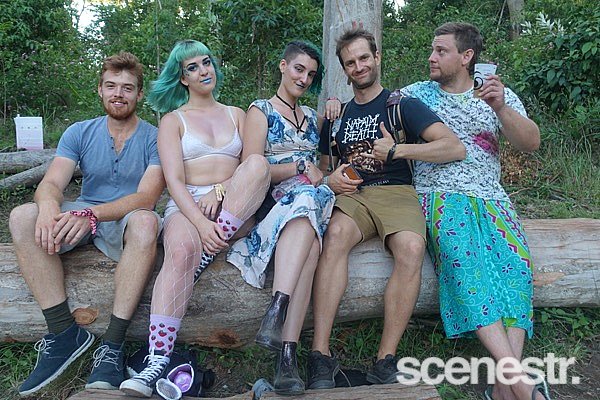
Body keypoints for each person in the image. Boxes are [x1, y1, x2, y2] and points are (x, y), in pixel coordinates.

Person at [307, 27, 466, 389]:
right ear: (344, 69)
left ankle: (385, 359)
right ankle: (320, 356)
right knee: (335, 235)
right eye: (351, 62)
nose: (359, 66)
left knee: (411, 247)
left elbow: (453, 147)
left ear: (377, 57)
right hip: (353, 194)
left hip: (396, 191)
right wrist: (331, 179)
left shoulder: (401, 105)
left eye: (364, 58)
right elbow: (323, 166)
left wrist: (396, 151)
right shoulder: (337, 114)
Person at [401, 23, 547, 400]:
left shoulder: (497, 94)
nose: (431, 57)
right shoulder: (415, 95)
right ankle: (522, 387)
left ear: (467, 57)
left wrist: (500, 107)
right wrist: (334, 103)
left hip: (493, 199)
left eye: (441, 51)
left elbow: (531, 142)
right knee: (466, 267)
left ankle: (503, 388)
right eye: (432, 50)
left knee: (517, 270)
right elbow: (372, 104)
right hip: (440, 194)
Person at [118, 40, 270, 398]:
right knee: (183, 249)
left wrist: (221, 191)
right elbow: (173, 181)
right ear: (182, 78)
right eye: (193, 67)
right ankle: (157, 361)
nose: (204, 71)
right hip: (187, 206)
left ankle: (207, 250)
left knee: (258, 165)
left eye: (207, 62)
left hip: (234, 205)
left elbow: (252, 169)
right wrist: (201, 224)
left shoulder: (237, 114)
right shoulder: (173, 121)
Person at [9, 52, 165, 396]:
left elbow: (146, 197)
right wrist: (48, 207)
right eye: (111, 86)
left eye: (127, 88)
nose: (118, 94)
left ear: (140, 94)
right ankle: (64, 333)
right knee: (23, 216)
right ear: (100, 90)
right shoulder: (79, 131)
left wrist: (93, 215)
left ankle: (112, 345)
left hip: (125, 218)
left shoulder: (155, 137)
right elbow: (52, 183)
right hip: (83, 211)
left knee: (146, 223)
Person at [227, 41, 335, 396]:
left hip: (312, 201)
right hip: (275, 201)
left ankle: (278, 314)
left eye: (311, 75)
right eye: (299, 69)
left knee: (310, 208)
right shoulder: (260, 110)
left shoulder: (312, 118)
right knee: (311, 242)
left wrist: (334, 110)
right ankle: (286, 355)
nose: (304, 79)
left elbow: (324, 169)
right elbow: (252, 168)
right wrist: (299, 167)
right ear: (283, 66)